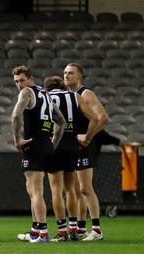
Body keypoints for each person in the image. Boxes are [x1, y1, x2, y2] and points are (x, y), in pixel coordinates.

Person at [11, 66, 65, 244]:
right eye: (16, 81)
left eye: (22, 80)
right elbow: (61, 121)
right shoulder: (46, 94)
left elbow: (16, 116)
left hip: (34, 146)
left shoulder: (27, 92)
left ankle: (42, 233)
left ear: (30, 79)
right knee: (32, 190)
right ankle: (35, 231)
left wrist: (17, 139)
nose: (19, 85)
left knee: (36, 192)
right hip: (45, 145)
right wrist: (53, 144)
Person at [43, 75, 101, 242]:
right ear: (63, 86)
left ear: (47, 88)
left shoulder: (45, 97)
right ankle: (74, 229)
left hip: (54, 144)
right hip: (72, 145)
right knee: (71, 190)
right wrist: (87, 137)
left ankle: (62, 232)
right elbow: (95, 118)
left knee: (56, 190)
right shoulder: (75, 96)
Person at [63, 63, 110, 241]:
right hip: (74, 146)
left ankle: (97, 230)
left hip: (84, 145)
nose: (67, 75)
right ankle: (81, 228)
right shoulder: (69, 96)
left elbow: (103, 118)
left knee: (85, 188)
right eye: (65, 73)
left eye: (71, 73)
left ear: (79, 77)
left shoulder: (85, 94)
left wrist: (88, 137)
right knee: (76, 190)